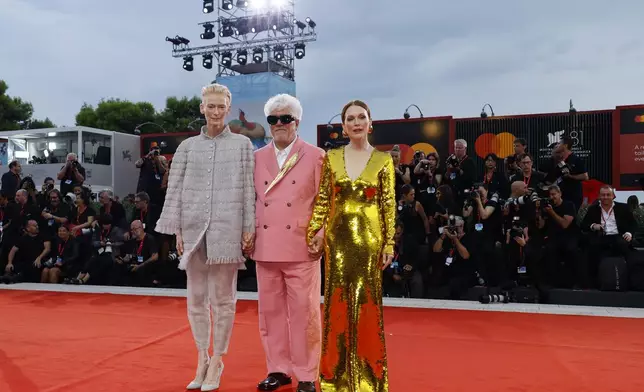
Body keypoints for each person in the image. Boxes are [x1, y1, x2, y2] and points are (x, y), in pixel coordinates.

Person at [155, 83, 255, 391]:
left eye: (220, 106)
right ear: (202, 108)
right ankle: (202, 357)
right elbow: (175, 191)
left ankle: (219, 359)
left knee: (223, 300)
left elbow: (249, 189)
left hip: (227, 228)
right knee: (196, 299)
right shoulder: (186, 147)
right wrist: (179, 230)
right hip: (194, 228)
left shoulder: (242, 145)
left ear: (228, 108)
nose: (214, 111)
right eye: (209, 106)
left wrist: (248, 227)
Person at [307, 100, 396, 392]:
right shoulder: (331, 158)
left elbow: (388, 205)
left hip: (370, 242)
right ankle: (335, 379)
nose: (356, 123)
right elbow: (322, 199)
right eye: (350, 119)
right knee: (336, 307)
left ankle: (370, 379)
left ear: (370, 123)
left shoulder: (384, 160)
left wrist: (390, 242)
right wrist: (314, 231)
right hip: (337, 241)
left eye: (361, 117)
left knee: (368, 309)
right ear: (344, 126)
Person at [251, 94, 325, 392]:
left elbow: (324, 199)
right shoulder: (256, 158)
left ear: (298, 122)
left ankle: (307, 373)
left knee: (305, 313)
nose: (279, 124)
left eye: (286, 118)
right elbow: (250, 199)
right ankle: (278, 369)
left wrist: (320, 233)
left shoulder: (316, 155)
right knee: (271, 313)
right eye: (273, 119)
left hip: (301, 245)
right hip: (266, 244)